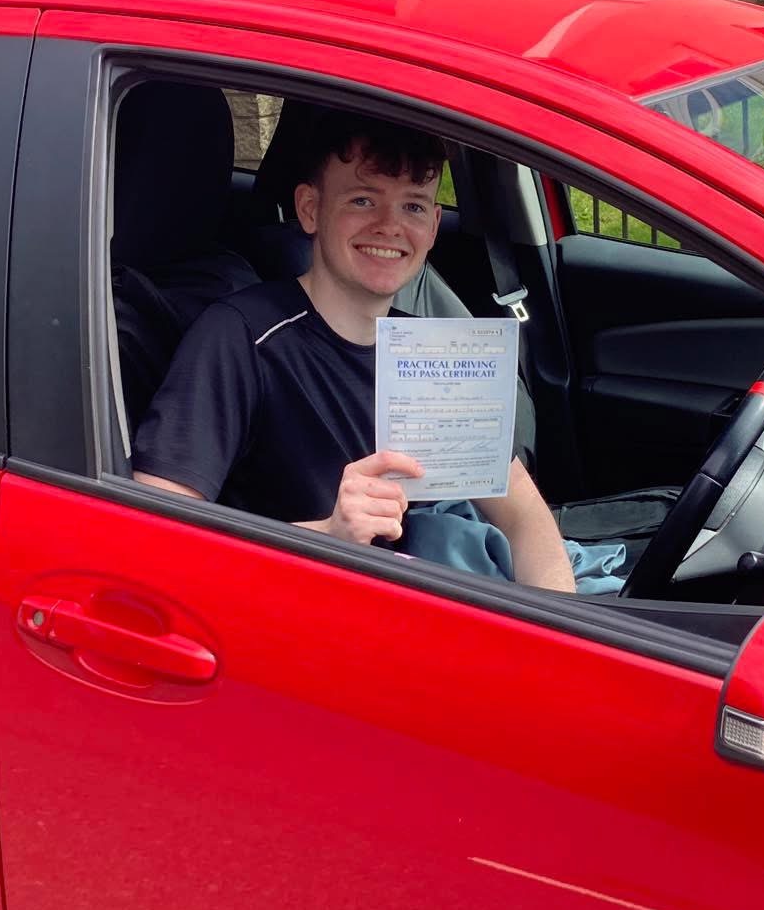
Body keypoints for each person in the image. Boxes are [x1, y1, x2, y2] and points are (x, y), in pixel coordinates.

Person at [132, 114, 579, 593]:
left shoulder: (437, 356)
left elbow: (529, 525)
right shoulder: (240, 338)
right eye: (363, 200)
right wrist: (328, 536)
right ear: (309, 209)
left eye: (412, 206)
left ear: (431, 228)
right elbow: (150, 540)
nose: (389, 226)